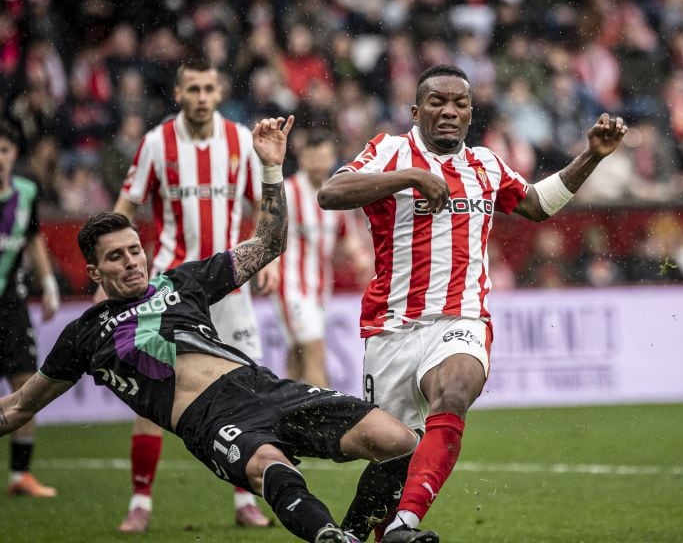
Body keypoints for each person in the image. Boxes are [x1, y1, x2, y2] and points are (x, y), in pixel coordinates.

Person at [0, 115, 422, 543]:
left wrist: (272, 168)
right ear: (94, 270)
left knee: (400, 441)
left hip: (263, 387)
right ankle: (329, 536)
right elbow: (17, 407)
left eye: (134, 251)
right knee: (270, 468)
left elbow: (268, 245)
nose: (131, 262)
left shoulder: (182, 282)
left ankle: (352, 532)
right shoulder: (84, 334)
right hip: (209, 417)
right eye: (116, 258)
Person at [318, 64, 627, 542]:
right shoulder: (388, 150)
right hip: (392, 327)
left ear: (470, 112)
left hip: (462, 318)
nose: (449, 111)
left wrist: (592, 155)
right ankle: (359, 532)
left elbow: (537, 205)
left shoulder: (485, 163)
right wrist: (408, 178)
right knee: (394, 456)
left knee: (456, 390)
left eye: (459, 103)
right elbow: (331, 192)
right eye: (437, 102)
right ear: (415, 111)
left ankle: (406, 522)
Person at [107, 58, 280, 531]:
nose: (202, 96)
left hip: (229, 285)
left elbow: (263, 203)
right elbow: (126, 205)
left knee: (243, 392)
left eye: (209, 88)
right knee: (153, 392)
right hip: (168, 288)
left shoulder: (241, 141)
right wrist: (113, 262)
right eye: (194, 89)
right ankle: (140, 503)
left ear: (218, 92)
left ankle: (245, 501)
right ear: (178, 94)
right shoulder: (156, 144)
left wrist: (267, 259)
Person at [274, 130, 371, 387]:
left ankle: (275, 414)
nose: (320, 162)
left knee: (297, 357)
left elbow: (346, 234)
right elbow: (266, 233)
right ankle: (326, 421)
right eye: (314, 156)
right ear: (303, 158)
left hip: (320, 289)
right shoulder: (288, 192)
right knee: (315, 350)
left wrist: (362, 258)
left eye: (325, 156)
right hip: (290, 287)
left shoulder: (334, 194)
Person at [0, 122, 59, 497]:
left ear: (15, 154)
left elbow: (34, 238)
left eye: (4, 149)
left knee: (26, 383)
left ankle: (20, 475)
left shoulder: (26, 191)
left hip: (10, 302)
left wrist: (49, 282)